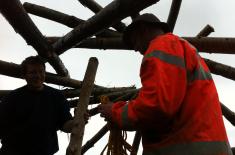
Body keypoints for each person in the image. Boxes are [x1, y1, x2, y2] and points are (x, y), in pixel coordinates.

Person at [98, 13, 233, 155]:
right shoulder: (184, 48)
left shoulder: (160, 47)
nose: (136, 49)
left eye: (135, 41)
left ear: (143, 29)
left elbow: (156, 105)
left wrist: (115, 112)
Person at [0, 56, 75, 155]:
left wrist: (78, 122)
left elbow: (65, 124)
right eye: (33, 72)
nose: (38, 76)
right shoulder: (11, 99)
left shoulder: (56, 96)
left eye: (41, 71)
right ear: (24, 75)